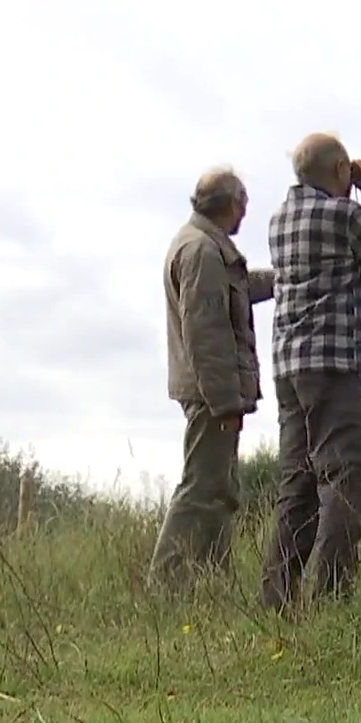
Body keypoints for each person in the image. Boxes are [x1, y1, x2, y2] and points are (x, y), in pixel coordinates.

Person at [259, 132, 361, 608]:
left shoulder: (277, 221)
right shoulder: (343, 215)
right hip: (335, 368)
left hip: (289, 371)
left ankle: (277, 602)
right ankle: (329, 603)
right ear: (339, 172)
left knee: (298, 488)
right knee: (344, 487)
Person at [147, 165, 273, 589]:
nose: (244, 214)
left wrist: (283, 278)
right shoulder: (201, 250)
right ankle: (164, 586)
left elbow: (235, 287)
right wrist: (225, 402)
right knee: (201, 488)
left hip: (206, 390)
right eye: (244, 204)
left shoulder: (201, 245)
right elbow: (206, 334)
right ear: (233, 203)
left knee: (219, 488)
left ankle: (212, 581)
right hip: (210, 393)